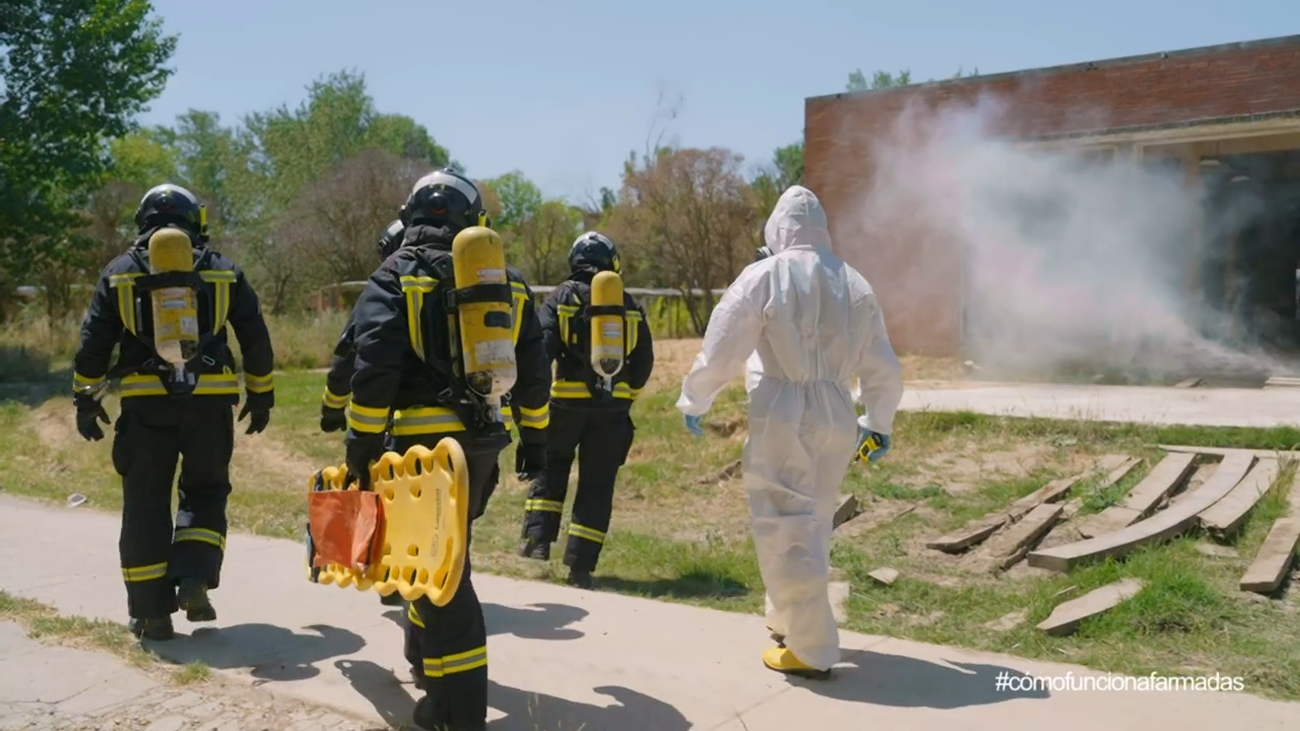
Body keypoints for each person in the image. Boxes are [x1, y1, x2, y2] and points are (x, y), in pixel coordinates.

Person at [345, 169, 550, 731]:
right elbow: (534, 373)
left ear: (410, 214)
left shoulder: (394, 274)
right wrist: (534, 439)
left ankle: (458, 711)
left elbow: (374, 369)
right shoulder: (508, 282)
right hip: (483, 444)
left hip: (420, 452)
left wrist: (361, 443)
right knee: (433, 564)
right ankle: (429, 673)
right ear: (474, 220)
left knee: (444, 576)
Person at [676, 185, 903, 680]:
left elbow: (724, 343)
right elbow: (882, 361)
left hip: (784, 410)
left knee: (784, 526)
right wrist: (878, 420)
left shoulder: (765, 275)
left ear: (778, 229)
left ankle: (811, 648)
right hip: (838, 413)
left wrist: (697, 398)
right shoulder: (854, 282)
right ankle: (786, 619)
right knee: (814, 520)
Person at [72, 183, 275, 641]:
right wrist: (261, 393)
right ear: (195, 221)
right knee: (205, 491)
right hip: (210, 403)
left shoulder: (120, 272)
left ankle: (151, 616)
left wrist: (86, 398)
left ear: (142, 222)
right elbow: (254, 335)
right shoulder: (223, 270)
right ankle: (194, 576)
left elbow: (93, 343)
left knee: (144, 504)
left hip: (146, 408)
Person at [517, 232, 655, 589]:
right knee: (597, 484)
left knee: (552, 464)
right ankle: (580, 567)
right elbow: (643, 360)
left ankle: (537, 542)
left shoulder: (561, 296)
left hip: (565, 404)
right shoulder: (627, 303)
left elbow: (541, 348)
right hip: (611, 411)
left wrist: (535, 395)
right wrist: (627, 395)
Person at [318, 219, 409, 606]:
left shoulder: (385, 286)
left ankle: (388, 578)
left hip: (395, 419)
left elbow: (349, 357)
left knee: (387, 498)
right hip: (462, 423)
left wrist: (332, 407)